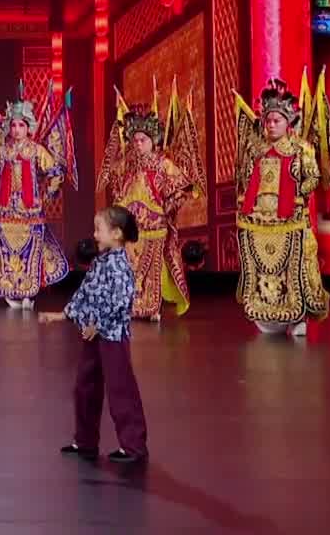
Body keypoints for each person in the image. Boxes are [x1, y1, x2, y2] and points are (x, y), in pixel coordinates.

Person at [41, 206, 148, 464]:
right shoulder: (101, 262)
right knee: (85, 387)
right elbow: (85, 293)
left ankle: (133, 446)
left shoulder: (120, 265)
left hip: (112, 337)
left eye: (99, 230)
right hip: (93, 335)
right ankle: (85, 441)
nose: (95, 235)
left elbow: (120, 303)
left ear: (117, 234)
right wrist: (63, 315)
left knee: (120, 390)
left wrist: (98, 325)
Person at [233, 79, 330, 336]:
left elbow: (313, 177)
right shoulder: (256, 148)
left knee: (297, 267)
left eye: (277, 120)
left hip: (292, 216)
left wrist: (299, 194)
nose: (272, 124)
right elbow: (246, 178)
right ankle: (267, 314)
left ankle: (298, 317)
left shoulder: (301, 148)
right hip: (260, 218)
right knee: (263, 266)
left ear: (289, 122)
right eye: (268, 120)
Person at [99, 102, 199, 321]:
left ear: (153, 140)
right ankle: (129, 304)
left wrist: (168, 207)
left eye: (142, 140)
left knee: (155, 268)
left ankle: (154, 306)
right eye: (135, 140)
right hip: (131, 226)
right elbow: (116, 185)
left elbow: (182, 187)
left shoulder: (163, 164)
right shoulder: (127, 164)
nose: (138, 144)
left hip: (154, 224)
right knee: (129, 265)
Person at [0, 94, 74, 309]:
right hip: (4, 212)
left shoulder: (36, 151)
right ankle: (10, 291)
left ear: (28, 127)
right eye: (13, 125)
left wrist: (46, 194)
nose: (16, 130)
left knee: (29, 251)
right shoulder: (2, 151)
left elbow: (55, 172)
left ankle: (28, 293)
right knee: (6, 252)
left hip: (29, 211)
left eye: (21, 125)